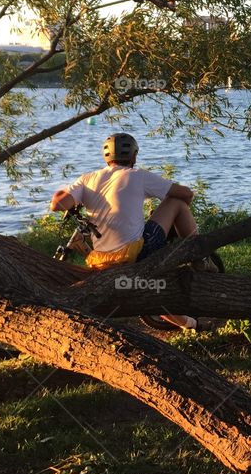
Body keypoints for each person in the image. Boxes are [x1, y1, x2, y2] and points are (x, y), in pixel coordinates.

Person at [50, 133, 215, 330]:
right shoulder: (138, 175)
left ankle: (191, 324)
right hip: (137, 253)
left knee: (144, 287)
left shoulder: (87, 179)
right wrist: (174, 216)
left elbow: (57, 205)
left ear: (106, 157)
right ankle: (199, 257)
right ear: (134, 156)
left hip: (102, 261)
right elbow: (186, 193)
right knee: (177, 202)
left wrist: (67, 196)